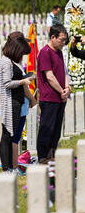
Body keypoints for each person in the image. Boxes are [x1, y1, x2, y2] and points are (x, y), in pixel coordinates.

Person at [0, 34, 33, 172]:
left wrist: (26, 77)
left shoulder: (12, 61)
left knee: (11, 135)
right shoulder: (6, 62)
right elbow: (7, 83)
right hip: (10, 102)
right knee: (7, 135)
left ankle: (10, 167)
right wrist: (23, 82)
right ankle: (6, 168)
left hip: (17, 101)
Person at [36, 24, 71, 164]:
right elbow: (49, 76)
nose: (64, 43)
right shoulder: (45, 52)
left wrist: (67, 87)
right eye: (61, 40)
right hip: (49, 97)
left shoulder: (59, 52)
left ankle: (52, 153)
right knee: (47, 128)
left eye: (65, 40)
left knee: (56, 129)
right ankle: (43, 156)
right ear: (53, 37)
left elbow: (63, 71)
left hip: (60, 97)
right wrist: (61, 90)